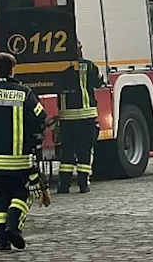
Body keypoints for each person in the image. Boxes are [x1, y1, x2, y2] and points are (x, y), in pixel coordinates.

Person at [0, 52, 47, 251]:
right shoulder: (25, 93)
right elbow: (40, 117)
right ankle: (13, 227)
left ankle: (1, 241)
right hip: (19, 159)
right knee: (22, 194)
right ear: (13, 69)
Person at [56, 40, 106, 194]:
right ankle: (83, 185)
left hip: (67, 117)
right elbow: (99, 83)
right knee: (85, 151)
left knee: (67, 152)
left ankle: (64, 185)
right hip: (86, 115)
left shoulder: (58, 66)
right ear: (79, 51)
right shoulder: (89, 66)